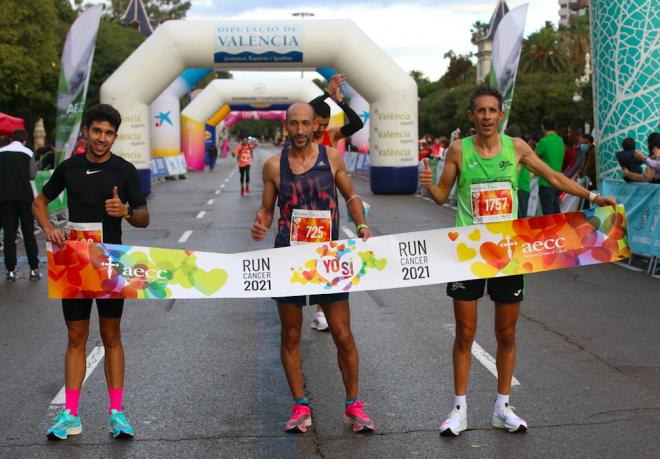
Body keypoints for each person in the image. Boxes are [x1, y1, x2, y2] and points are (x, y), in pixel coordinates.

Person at [419, 85, 615, 436]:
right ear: (471, 116)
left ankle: (502, 407)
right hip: (467, 254)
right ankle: (459, 409)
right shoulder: (458, 151)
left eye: (493, 111)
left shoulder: (517, 148)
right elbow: (441, 196)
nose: (487, 117)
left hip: (509, 255)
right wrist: (428, 185)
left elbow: (553, 177)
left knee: (506, 332)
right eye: (481, 111)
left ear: (500, 114)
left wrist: (592, 195)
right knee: (465, 333)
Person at [251, 102, 376, 433]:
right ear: (286, 126)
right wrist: (260, 223)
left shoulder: (330, 158)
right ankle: (300, 407)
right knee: (290, 334)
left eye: (306, 124)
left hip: (328, 259)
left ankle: (353, 405)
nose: (301, 130)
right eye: (294, 124)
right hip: (288, 258)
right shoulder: (273, 167)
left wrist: (361, 225)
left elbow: (350, 197)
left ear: (314, 126)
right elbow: (266, 208)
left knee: (343, 335)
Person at [32, 104, 149, 440]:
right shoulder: (69, 168)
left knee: (112, 338)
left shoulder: (124, 171)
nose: (102, 138)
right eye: (97, 131)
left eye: (109, 133)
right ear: (86, 132)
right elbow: (39, 202)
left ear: (115, 136)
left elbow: (144, 216)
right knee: (75, 338)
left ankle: (117, 414)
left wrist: (125, 211)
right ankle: (70, 415)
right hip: (73, 264)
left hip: (111, 263)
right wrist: (49, 229)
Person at [307, 74, 365, 331]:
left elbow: (356, 124)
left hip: (327, 212)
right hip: (301, 211)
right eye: (316, 124)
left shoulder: (331, 135)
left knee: (325, 261)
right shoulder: (300, 138)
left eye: (324, 124)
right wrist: (324, 95)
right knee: (302, 263)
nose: (320, 129)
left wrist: (337, 101)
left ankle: (321, 311)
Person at [0, 129, 41, 281]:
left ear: (11, 139)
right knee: (28, 233)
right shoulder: (28, 152)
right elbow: (32, 174)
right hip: (24, 197)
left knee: (9, 236)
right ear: (25, 140)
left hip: (4, 198)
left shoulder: (1, 151)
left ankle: (11, 271)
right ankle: (34, 269)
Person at [536, 116, 565, 215]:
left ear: (542, 126)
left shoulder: (543, 142)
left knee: (548, 216)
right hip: (558, 182)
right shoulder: (560, 141)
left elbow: (533, 159)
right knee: (556, 213)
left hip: (546, 182)